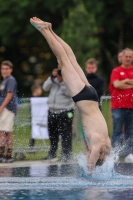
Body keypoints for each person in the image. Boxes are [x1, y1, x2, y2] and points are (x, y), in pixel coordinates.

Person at [30, 17, 111, 173]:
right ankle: (44, 30)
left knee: (70, 57)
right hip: (82, 97)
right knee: (62, 61)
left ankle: (50, 29)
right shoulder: (98, 145)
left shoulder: (107, 144)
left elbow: (106, 155)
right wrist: (90, 172)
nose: (88, 156)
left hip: (91, 95)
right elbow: (91, 163)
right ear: (99, 157)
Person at [42, 68, 74, 162]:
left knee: (66, 134)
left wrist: (63, 83)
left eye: (61, 76)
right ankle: (52, 154)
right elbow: (45, 88)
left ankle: (66, 155)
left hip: (65, 111)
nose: (59, 77)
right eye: (58, 75)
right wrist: (51, 77)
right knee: (52, 134)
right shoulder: (53, 80)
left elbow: (69, 93)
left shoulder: (69, 82)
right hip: (52, 111)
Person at [109, 48, 133, 154]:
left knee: (130, 132)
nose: (128, 59)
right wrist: (129, 82)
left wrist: (125, 82)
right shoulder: (116, 71)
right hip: (118, 106)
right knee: (117, 131)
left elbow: (120, 84)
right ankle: (114, 153)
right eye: (126, 56)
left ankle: (128, 153)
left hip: (131, 106)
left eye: (130, 57)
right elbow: (116, 84)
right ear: (122, 57)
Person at [0, 60, 17, 163]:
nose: (4, 71)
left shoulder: (10, 80)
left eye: (6, 69)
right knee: (5, 131)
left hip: (8, 108)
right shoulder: (5, 80)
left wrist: (1, 107)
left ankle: (4, 154)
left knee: (3, 131)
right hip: (5, 108)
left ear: (11, 70)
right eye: (3, 69)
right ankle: (6, 154)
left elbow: (9, 95)